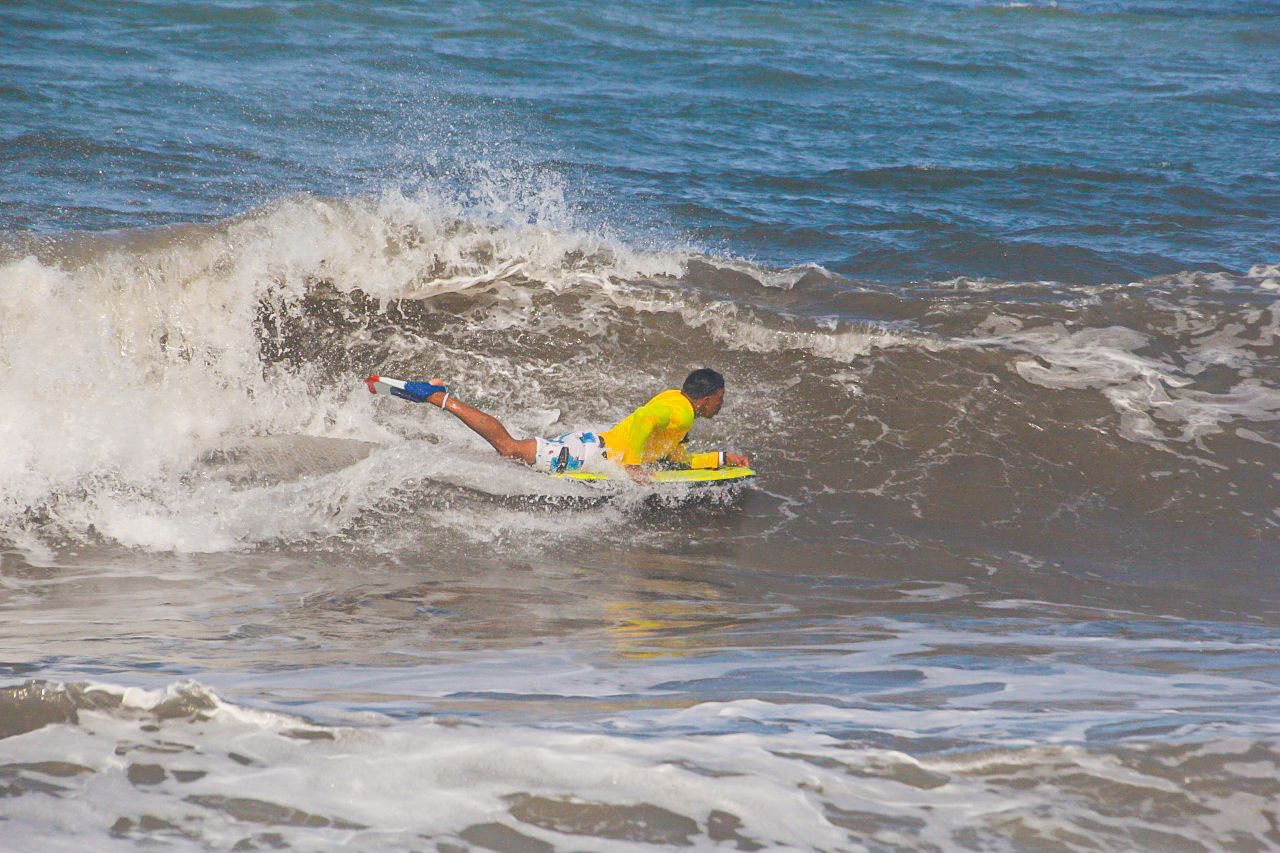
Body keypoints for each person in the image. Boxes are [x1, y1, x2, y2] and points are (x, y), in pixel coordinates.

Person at [378, 368, 750, 475]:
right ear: (706, 397)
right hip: (588, 456)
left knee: (512, 456)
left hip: (590, 445)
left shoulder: (677, 405)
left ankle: (439, 396)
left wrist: (719, 459)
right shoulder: (681, 410)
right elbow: (642, 421)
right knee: (508, 448)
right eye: (720, 398)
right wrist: (633, 466)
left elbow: (673, 458)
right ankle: (437, 396)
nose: (722, 404)